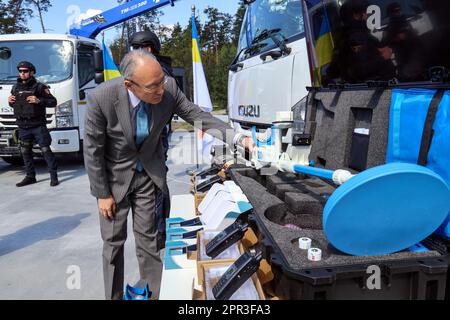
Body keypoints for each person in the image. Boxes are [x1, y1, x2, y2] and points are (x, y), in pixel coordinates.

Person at [83, 50, 253, 300]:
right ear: (130, 85)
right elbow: (92, 149)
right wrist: (102, 193)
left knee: (149, 242)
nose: (161, 89)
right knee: (112, 245)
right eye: (153, 86)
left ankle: (154, 295)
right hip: (113, 180)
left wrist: (239, 137)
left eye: (162, 81)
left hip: (147, 176)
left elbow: (198, 116)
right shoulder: (102, 98)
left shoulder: (168, 88)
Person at [129, 30, 176, 250]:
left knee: (156, 182)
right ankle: (159, 229)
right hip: (141, 138)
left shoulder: (159, 72)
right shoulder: (138, 68)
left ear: (148, 49)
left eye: (137, 48)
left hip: (156, 136)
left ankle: (160, 232)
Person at [8, 61, 59, 187]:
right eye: (20, 71)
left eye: (25, 71)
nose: (22, 74)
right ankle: (30, 176)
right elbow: (15, 104)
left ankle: (54, 177)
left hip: (38, 125)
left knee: (45, 150)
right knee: (25, 151)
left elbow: (53, 102)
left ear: (31, 72)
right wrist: (10, 101)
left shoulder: (40, 87)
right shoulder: (15, 87)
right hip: (23, 125)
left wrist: (39, 100)